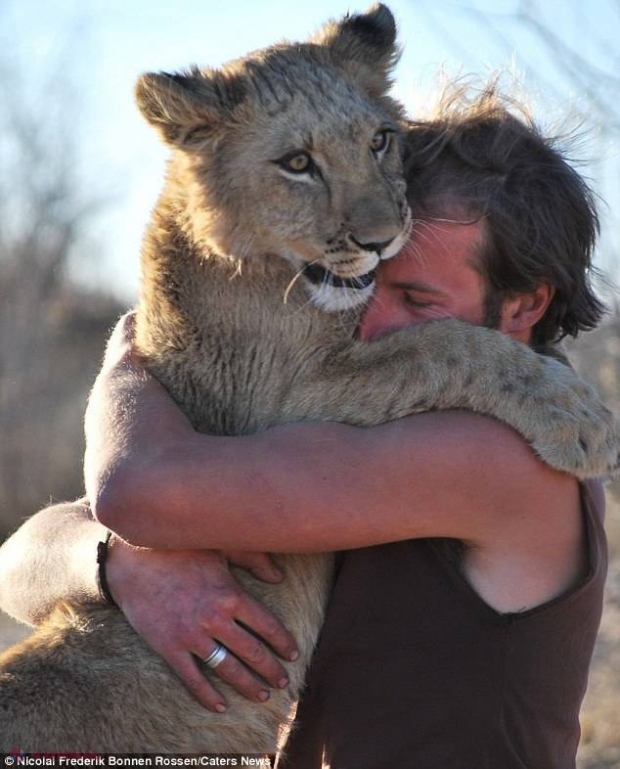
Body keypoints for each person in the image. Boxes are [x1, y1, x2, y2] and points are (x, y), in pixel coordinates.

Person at [0, 84, 611, 768]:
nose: (369, 325)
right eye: (363, 281)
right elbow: (17, 565)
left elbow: (134, 490)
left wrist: (131, 353)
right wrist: (120, 566)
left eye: (415, 298)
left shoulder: (499, 456)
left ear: (525, 305)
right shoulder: (372, 409)